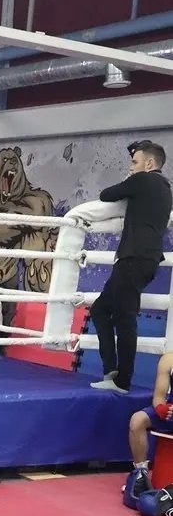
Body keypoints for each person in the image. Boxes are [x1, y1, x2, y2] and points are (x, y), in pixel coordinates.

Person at [90, 140, 172, 394]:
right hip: (146, 260)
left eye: (135, 162)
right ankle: (112, 371)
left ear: (150, 163)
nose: (131, 167)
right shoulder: (166, 189)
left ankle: (121, 380)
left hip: (133, 258)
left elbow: (107, 194)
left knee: (124, 317)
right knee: (101, 310)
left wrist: (130, 179)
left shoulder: (142, 180)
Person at [125, 350, 173, 501]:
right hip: (171, 411)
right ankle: (141, 476)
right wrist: (161, 409)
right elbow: (159, 396)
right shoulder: (168, 359)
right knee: (137, 420)